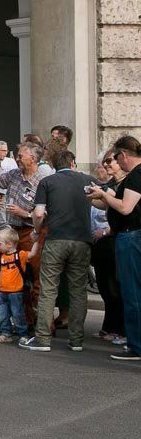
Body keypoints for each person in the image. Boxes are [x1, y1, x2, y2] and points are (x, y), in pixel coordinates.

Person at [20, 150, 96, 352]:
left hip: (56, 239)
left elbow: (38, 213)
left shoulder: (47, 182)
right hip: (81, 240)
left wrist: (36, 231)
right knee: (78, 290)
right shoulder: (87, 180)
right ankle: (77, 340)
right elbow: (104, 200)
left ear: (53, 165)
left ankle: (43, 338)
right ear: (73, 163)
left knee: (48, 289)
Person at [86, 136, 141, 362]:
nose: (114, 163)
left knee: (132, 292)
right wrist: (100, 196)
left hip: (131, 237)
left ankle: (136, 345)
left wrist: (103, 194)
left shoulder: (136, 175)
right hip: (130, 236)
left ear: (124, 155)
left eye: (115, 158)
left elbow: (125, 208)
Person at [0, 142, 46, 327]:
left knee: (37, 278)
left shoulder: (43, 180)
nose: (17, 159)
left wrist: (26, 214)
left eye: (21, 156)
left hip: (32, 233)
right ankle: (26, 321)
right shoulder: (14, 174)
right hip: (14, 233)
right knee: (19, 277)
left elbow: (48, 211)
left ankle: (44, 323)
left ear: (33, 158)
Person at [90, 150, 125, 344]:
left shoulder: (126, 184)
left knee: (115, 288)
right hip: (102, 244)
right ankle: (109, 326)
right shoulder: (111, 184)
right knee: (105, 287)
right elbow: (103, 205)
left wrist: (106, 232)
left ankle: (119, 329)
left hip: (114, 240)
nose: (106, 165)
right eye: (104, 162)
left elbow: (124, 212)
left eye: (110, 161)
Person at [0, 227, 39, 343]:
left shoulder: (19, 255)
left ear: (10, 244)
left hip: (16, 292)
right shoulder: (0, 257)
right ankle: (5, 333)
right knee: (2, 314)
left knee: (18, 314)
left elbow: (32, 254)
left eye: (0, 244)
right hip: (2, 291)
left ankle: (23, 333)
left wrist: (36, 242)